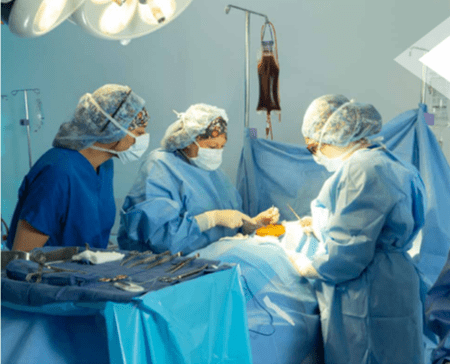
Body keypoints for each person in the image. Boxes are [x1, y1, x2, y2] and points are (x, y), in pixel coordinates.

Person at [289, 94, 426, 363]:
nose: (315, 155)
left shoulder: (360, 169)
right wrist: (320, 225)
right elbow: (376, 226)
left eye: (314, 147)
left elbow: (347, 254)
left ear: (334, 135)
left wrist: (308, 265)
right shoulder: (394, 164)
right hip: (395, 283)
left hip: (367, 292)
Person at [118, 103, 279, 254]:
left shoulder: (214, 172)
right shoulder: (160, 166)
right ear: (188, 140)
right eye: (212, 147)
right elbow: (158, 237)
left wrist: (249, 225)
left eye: (221, 146)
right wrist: (212, 218)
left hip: (215, 255)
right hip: (170, 264)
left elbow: (226, 228)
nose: (216, 153)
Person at [7, 84, 150, 252]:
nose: (142, 140)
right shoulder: (57, 172)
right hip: (49, 276)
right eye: (139, 133)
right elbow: (23, 255)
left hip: (87, 274)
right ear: (113, 129)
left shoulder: (104, 166)